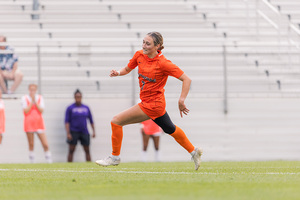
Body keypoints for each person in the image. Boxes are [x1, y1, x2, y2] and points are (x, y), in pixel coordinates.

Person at [95, 32, 203, 170]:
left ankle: (114, 158)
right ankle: (194, 152)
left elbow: (186, 79)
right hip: (152, 103)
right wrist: (118, 72)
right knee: (170, 129)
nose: (144, 45)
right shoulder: (139, 55)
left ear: (157, 46)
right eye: (143, 42)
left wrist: (181, 100)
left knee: (116, 121)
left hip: (152, 105)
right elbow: (128, 68)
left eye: (148, 43)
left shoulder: (163, 63)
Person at [22, 84, 52, 163]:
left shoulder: (39, 98)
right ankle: (32, 162)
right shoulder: (24, 98)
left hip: (39, 123)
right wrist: (32, 102)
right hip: (29, 123)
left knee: (45, 144)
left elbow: (41, 110)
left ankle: (49, 160)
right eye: (31, 89)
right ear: (29, 89)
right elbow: (26, 111)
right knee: (31, 144)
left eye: (34, 89)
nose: (32, 91)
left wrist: (35, 101)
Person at [65, 89, 96, 162]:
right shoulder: (70, 108)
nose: (78, 98)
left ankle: (89, 166)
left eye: (79, 96)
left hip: (84, 131)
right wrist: (68, 133)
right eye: (76, 97)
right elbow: (67, 121)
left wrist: (93, 131)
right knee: (71, 150)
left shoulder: (86, 108)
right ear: (74, 97)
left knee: (87, 150)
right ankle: (69, 166)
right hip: (74, 131)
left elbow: (91, 120)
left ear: (81, 97)